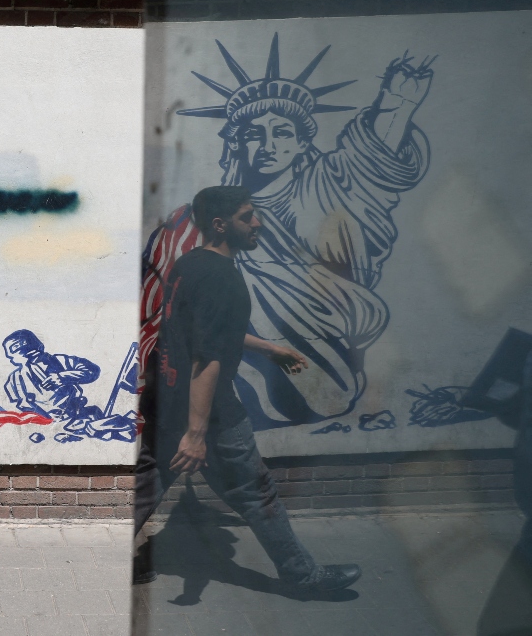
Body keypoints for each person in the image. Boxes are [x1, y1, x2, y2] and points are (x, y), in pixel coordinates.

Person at [128, 37, 434, 430]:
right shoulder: (209, 213)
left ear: (303, 140)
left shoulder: (330, 183)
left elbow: (372, 160)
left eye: (282, 133)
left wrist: (397, 104)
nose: (268, 145)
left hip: (323, 341)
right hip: (221, 351)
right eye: (254, 135)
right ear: (238, 145)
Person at [133, 186, 361, 593]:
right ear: (220, 225)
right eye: (247, 216)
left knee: (149, 483)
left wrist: (269, 348)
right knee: (258, 495)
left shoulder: (188, 266)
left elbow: (209, 334)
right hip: (211, 413)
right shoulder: (223, 279)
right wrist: (197, 434)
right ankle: (302, 576)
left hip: (165, 399)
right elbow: (207, 358)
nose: (258, 223)